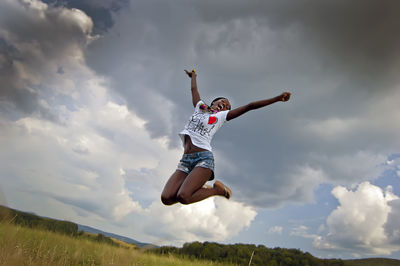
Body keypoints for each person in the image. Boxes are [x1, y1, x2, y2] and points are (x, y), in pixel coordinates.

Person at [161, 69, 291, 205]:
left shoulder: (221, 116)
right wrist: (193, 76)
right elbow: (194, 89)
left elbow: (250, 106)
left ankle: (217, 190)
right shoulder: (200, 107)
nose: (225, 105)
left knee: (184, 197)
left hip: (203, 159)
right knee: (167, 198)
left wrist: (277, 99)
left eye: (227, 106)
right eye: (223, 101)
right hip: (185, 161)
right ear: (214, 103)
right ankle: (200, 188)